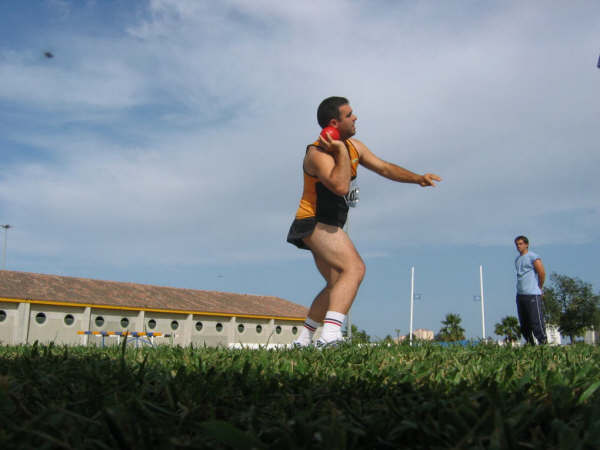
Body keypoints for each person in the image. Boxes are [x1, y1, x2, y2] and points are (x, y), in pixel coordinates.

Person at [287, 96, 442, 347]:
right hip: (314, 221)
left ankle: (303, 340)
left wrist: (417, 178)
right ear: (334, 123)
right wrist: (338, 150)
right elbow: (339, 185)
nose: (356, 117)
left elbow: (384, 168)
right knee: (355, 269)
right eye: (350, 115)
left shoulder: (354, 147)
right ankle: (330, 336)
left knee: (336, 284)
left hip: (327, 223)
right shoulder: (317, 154)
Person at [514, 235, 547, 345]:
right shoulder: (517, 260)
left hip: (532, 294)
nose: (518, 246)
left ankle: (543, 343)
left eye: (521, 243)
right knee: (524, 324)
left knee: (536, 321)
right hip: (520, 295)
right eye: (517, 244)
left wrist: (540, 287)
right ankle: (530, 344)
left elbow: (541, 272)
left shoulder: (533, 256)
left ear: (526, 244)